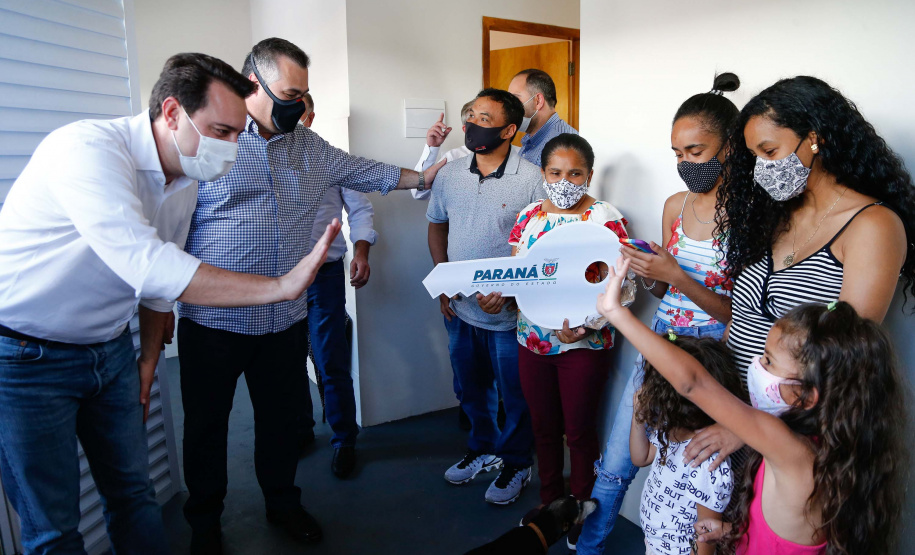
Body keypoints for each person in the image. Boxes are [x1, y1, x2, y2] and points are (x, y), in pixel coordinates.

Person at [0, 53, 341, 555]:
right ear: (173, 112)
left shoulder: (183, 177)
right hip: (27, 357)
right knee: (54, 528)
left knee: (134, 497)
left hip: (109, 349)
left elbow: (160, 283)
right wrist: (280, 286)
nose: (232, 146)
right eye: (221, 131)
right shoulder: (85, 150)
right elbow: (147, 263)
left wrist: (146, 357)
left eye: (238, 131)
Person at [177, 38, 442, 554]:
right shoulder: (212, 141)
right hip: (213, 321)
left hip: (283, 320)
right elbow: (172, 221)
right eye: (290, 93)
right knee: (206, 429)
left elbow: (365, 171)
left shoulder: (309, 146)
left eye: (304, 94)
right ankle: (205, 524)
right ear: (252, 81)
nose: (298, 104)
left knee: (280, 424)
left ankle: (283, 503)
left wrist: (423, 174)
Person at [680, 76, 915, 483]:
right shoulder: (776, 215)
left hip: (792, 436)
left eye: (770, 151)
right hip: (732, 412)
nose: (762, 166)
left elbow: (838, 359)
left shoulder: (872, 225)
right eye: (754, 155)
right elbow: (742, 317)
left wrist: (746, 426)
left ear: (815, 139)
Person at [597, 263, 907, 555]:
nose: (757, 366)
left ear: (807, 397)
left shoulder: (793, 454)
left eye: (769, 361)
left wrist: (617, 313)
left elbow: (693, 383)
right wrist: (730, 530)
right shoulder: (825, 450)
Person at [578, 74, 740, 555]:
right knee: (617, 461)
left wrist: (677, 274)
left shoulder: (750, 215)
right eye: (676, 153)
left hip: (713, 356)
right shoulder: (676, 204)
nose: (684, 164)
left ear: (729, 147)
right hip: (661, 339)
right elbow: (662, 287)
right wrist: (645, 270)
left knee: (702, 469)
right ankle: (588, 547)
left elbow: (740, 313)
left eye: (695, 152)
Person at [483, 134, 628, 541]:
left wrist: (585, 324)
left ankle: (580, 510)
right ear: (543, 174)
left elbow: (621, 283)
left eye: (575, 173)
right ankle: (550, 505)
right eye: (556, 172)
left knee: (579, 432)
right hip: (532, 340)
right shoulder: (529, 215)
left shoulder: (604, 218)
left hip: (583, 344)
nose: (565, 181)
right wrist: (499, 294)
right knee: (543, 428)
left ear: (589, 175)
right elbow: (517, 272)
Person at [427, 88, 544, 505]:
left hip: (509, 316)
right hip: (459, 309)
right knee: (470, 389)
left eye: (485, 117)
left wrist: (513, 292)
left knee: (515, 394)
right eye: (471, 114)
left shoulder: (532, 178)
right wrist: (442, 279)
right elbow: (437, 225)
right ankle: (482, 448)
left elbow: (542, 246)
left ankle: (515, 461)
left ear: (509, 130)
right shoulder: (450, 174)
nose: (473, 123)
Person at [298, 92, 376, 478]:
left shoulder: (330, 159)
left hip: (324, 276)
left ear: (310, 117)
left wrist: (361, 251)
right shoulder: (256, 157)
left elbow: (360, 209)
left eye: (301, 109)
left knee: (330, 359)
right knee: (282, 360)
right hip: (275, 277)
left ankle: (344, 439)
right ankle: (297, 429)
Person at [629, 336, 743, 555]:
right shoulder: (670, 428)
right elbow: (640, 458)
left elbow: (706, 540)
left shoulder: (707, 458)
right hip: (653, 544)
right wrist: (637, 417)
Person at [507, 68, 578, 166]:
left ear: (538, 101)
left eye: (515, 99)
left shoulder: (563, 146)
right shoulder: (532, 139)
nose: (509, 106)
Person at [412, 100, 474, 200]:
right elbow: (419, 194)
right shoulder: (454, 157)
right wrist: (432, 148)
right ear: (466, 129)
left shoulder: (508, 157)